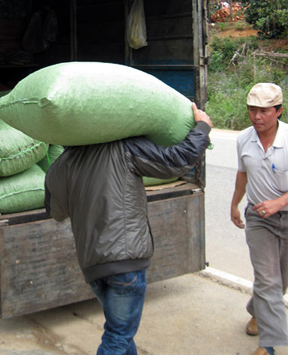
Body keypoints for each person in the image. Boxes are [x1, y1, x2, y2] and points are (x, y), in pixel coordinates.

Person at [44, 103, 212, 354]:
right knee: (118, 336)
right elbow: (176, 161)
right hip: (126, 263)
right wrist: (202, 127)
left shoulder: (60, 166)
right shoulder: (123, 147)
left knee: (121, 332)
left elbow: (55, 212)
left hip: (93, 266)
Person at [230, 83, 288, 355]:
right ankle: (270, 345)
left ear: (278, 111)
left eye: (264, 111)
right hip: (259, 218)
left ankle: (257, 309)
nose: (257, 117)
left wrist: (280, 202)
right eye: (252, 110)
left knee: (281, 280)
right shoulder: (244, 138)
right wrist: (235, 203)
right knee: (268, 280)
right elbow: (243, 173)